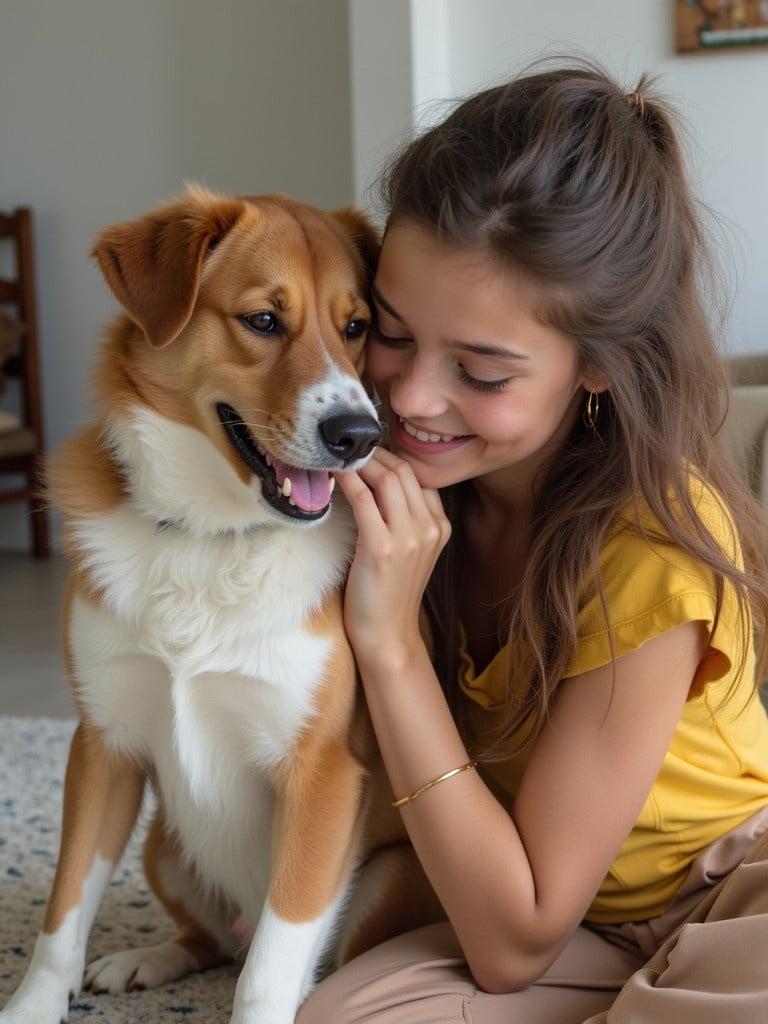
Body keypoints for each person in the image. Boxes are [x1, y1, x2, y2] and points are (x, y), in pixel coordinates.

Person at [298, 58, 768, 1023]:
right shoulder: (415, 488)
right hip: (566, 920)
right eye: (391, 332)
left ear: (597, 365)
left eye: (481, 369)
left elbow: (513, 948)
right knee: (341, 1018)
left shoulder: (653, 548)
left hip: (729, 897)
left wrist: (390, 647)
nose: (414, 397)